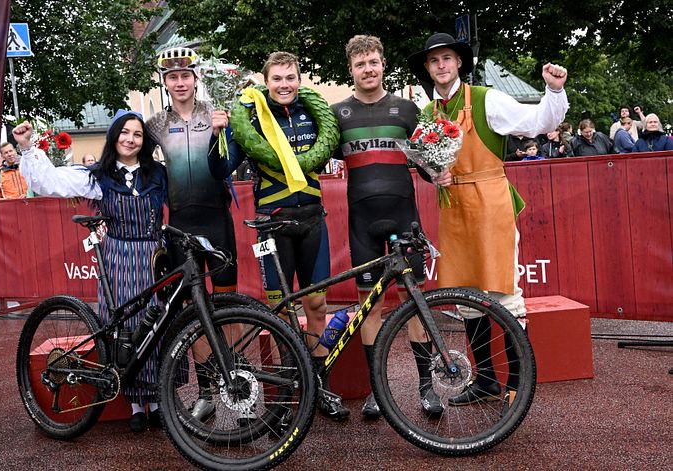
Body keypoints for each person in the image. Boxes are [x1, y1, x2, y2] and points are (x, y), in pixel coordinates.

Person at [407, 32, 568, 407]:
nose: (441, 66)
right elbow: (426, 163)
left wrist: (554, 91)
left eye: (447, 58)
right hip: (454, 208)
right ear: (428, 70)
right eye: (434, 61)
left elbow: (536, 122)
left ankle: (518, 381)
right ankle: (485, 381)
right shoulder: (429, 114)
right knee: (466, 296)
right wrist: (433, 174)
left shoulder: (486, 98)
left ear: (459, 62)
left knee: (505, 293)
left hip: (491, 202)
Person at [209, 51, 349, 421]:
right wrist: (218, 134)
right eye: (277, 79)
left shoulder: (313, 112)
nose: (284, 85)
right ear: (265, 81)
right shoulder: (251, 118)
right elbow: (222, 167)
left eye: (290, 78)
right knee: (282, 311)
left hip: (312, 219)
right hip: (272, 224)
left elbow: (339, 147)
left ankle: (320, 386)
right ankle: (286, 395)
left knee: (317, 306)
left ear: (298, 80)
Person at [13, 110, 168, 433]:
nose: (130, 139)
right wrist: (27, 147)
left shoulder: (158, 175)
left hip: (153, 257)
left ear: (144, 141)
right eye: (125, 132)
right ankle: (137, 404)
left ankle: (158, 400)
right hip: (119, 257)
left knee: (156, 325)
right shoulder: (98, 176)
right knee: (124, 327)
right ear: (114, 137)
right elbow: (51, 183)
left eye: (137, 134)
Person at [332, 35, 437, 418]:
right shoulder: (337, 114)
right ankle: (378, 390)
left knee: (416, 302)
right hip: (362, 223)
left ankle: (427, 387)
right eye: (361, 65)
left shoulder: (408, 110)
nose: (368, 69)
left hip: (404, 218)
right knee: (369, 307)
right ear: (352, 70)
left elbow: (430, 163)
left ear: (383, 64)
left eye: (374, 62)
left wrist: (441, 172)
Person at [146, 46, 239, 422]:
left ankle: (236, 385)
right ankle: (205, 391)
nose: (180, 82)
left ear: (195, 78)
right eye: (173, 76)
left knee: (228, 306)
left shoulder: (215, 113)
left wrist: (227, 128)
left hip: (217, 219)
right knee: (193, 312)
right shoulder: (154, 124)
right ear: (165, 82)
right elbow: (130, 159)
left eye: (185, 75)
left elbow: (238, 153)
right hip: (181, 224)